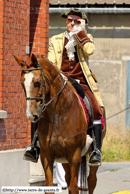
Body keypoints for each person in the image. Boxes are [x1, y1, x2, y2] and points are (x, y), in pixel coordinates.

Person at [24, 8, 104, 167]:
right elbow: (52, 63)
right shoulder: (55, 39)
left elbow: (89, 51)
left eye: (76, 21)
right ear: (66, 22)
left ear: (81, 23)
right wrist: (61, 77)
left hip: (81, 81)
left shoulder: (87, 38)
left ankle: (96, 149)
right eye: (69, 20)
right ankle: (33, 146)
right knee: (39, 105)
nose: (72, 23)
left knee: (96, 108)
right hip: (60, 80)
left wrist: (80, 33)